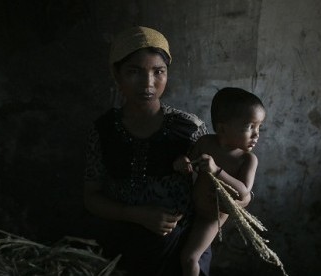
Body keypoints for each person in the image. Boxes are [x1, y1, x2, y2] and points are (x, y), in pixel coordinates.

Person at [83, 26, 211, 276]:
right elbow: (91, 198)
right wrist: (137, 215)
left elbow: (214, 197)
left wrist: (192, 256)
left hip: (181, 250)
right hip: (122, 249)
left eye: (158, 71)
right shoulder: (103, 130)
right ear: (116, 74)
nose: (148, 83)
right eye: (134, 72)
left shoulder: (190, 128)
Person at [173, 87, 266, 276]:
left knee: (189, 258)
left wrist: (217, 171)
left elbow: (243, 192)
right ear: (222, 128)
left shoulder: (247, 159)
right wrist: (182, 162)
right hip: (189, 208)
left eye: (259, 127)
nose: (256, 134)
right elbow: (189, 162)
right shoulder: (206, 142)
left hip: (210, 217)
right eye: (250, 127)